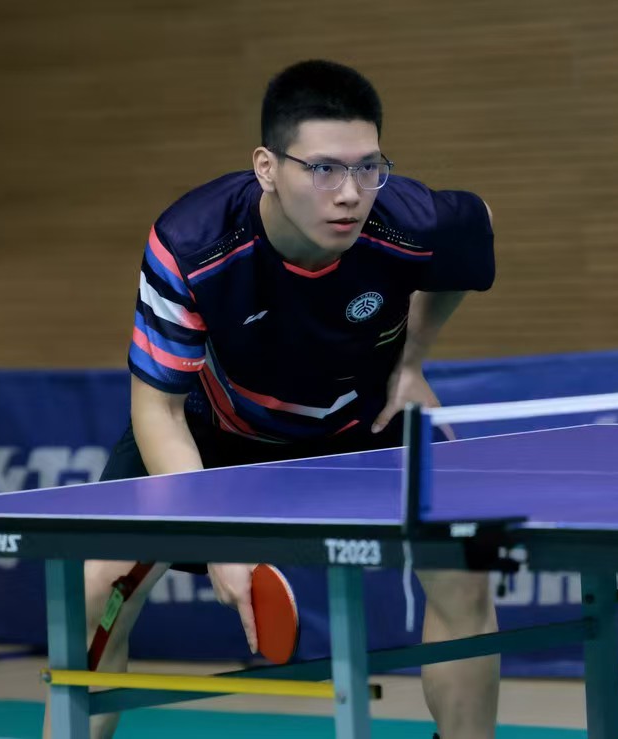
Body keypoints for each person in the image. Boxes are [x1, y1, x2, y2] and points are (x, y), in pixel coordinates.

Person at [83, 59, 499, 738]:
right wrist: (213, 535)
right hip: (217, 432)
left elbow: (473, 238)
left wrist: (412, 359)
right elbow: (156, 409)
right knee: (98, 587)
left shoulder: (410, 221)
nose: (351, 193)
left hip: (361, 421)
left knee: (464, 567)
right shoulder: (191, 245)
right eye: (324, 168)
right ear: (268, 167)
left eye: (368, 167)